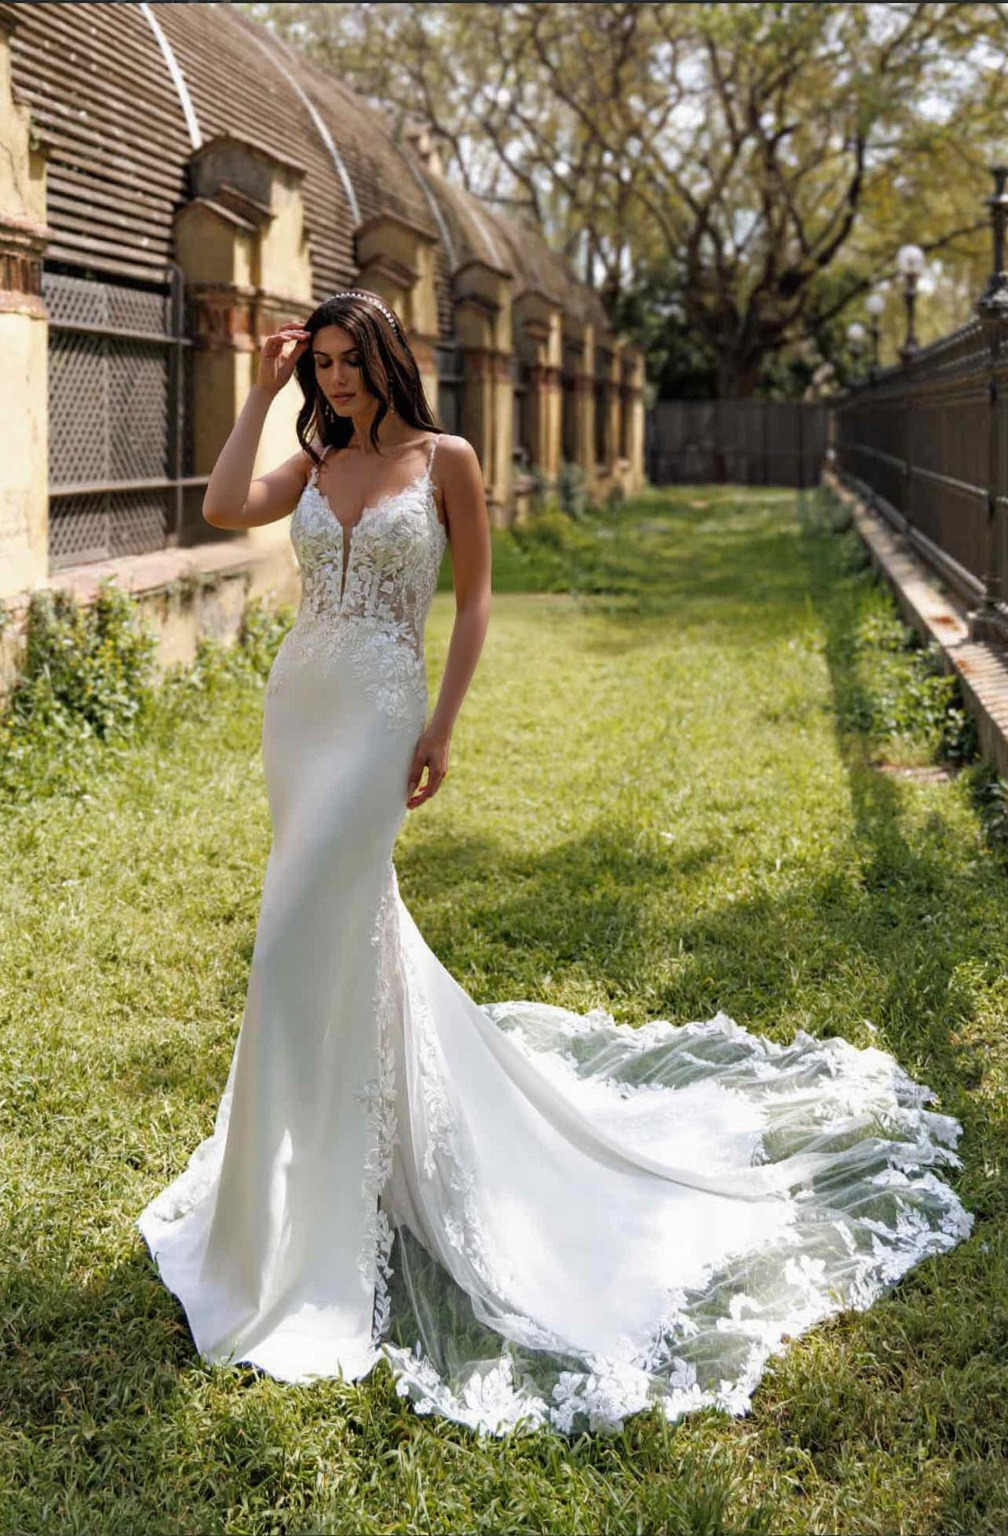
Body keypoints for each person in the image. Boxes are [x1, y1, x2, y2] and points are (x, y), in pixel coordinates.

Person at [137, 289, 974, 1439]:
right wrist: (262, 388)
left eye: (346, 361)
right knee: (330, 936)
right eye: (320, 365)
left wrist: (442, 722)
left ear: (388, 357)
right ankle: (325, 1171)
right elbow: (227, 502)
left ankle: (306, 1209)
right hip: (300, 708)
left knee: (285, 947)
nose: (332, 380)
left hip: (381, 710)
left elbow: (477, 597)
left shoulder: (448, 459)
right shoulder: (314, 462)